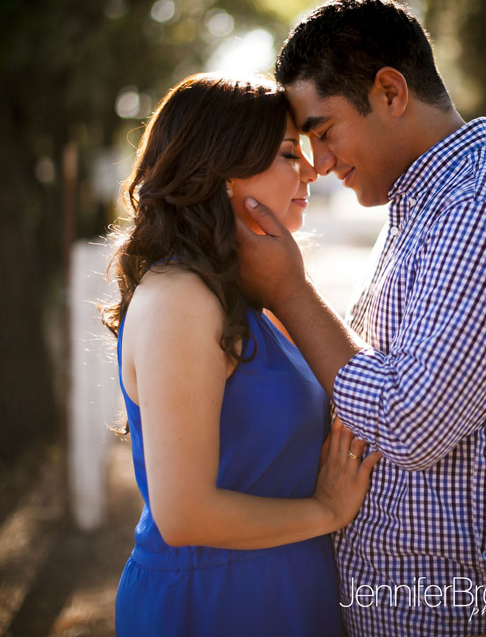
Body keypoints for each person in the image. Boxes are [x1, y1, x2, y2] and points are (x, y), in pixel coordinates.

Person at [236, 0, 486, 637]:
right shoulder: (424, 202)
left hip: (463, 608)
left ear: (390, 92)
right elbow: (381, 370)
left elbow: (411, 423)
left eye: (324, 131)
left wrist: (291, 293)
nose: (321, 164)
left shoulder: (484, 212)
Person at [102, 73, 381, 637]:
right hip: (216, 602)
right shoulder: (181, 298)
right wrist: (326, 513)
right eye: (285, 154)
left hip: (286, 587)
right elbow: (183, 513)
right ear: (222, 173)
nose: (309, 170)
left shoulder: (245, 293)